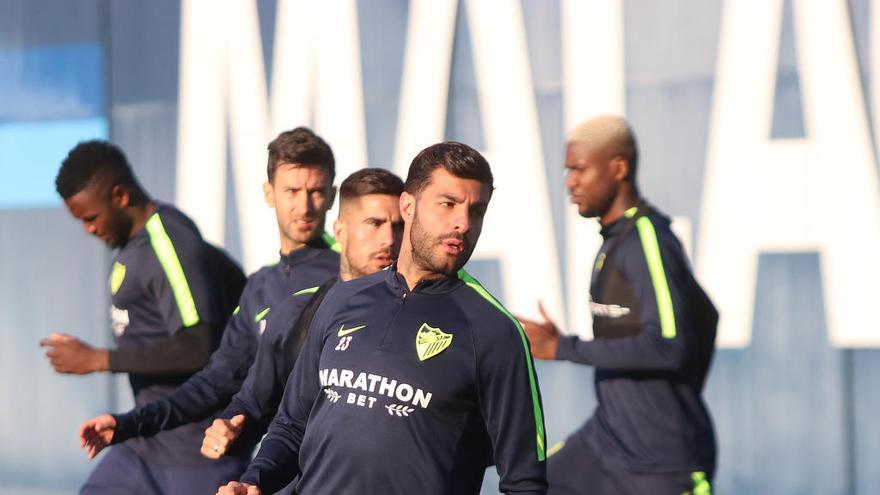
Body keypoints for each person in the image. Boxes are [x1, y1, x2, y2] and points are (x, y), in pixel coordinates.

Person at [217, 142, 548, 495]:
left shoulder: (495, 331)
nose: (463, 224)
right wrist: (253, 481)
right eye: (448, 204)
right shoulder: (343, 297)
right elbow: (292, 425)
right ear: (408, 205)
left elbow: (524, 481)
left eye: (476, 210)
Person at [74, 127, 341, 493]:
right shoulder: (261, 285)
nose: (305, 205)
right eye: (292, 191)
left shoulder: (349, 278)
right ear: (269, 194)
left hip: (309, 470)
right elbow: (218, 379)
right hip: (236, 456)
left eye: (317, 191)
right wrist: (128, 424)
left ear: (332, 196)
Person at [518, 115, 718, 495]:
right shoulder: (613, 241)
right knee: (530, 486)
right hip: (607, 444)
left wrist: (564, 347)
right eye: (567, 171)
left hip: (663, 465)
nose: (570, 182)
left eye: (579, 170)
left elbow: (669, 345)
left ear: (618, 168)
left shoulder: (647, 238)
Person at [42, 139, 247, 493]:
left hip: (196, 455)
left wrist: (97, 359)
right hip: (143, 448)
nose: (89, 229)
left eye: (91, 218)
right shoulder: (134, 247)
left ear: (120, 196)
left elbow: (199, 346)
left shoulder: (169, 244)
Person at [200, 169, 405, 491]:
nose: (389, 240)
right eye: (375, 224)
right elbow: (262, 409)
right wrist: (231, 428)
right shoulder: (298, 313)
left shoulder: (433, 320)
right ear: (340, 230)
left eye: (399, 226)